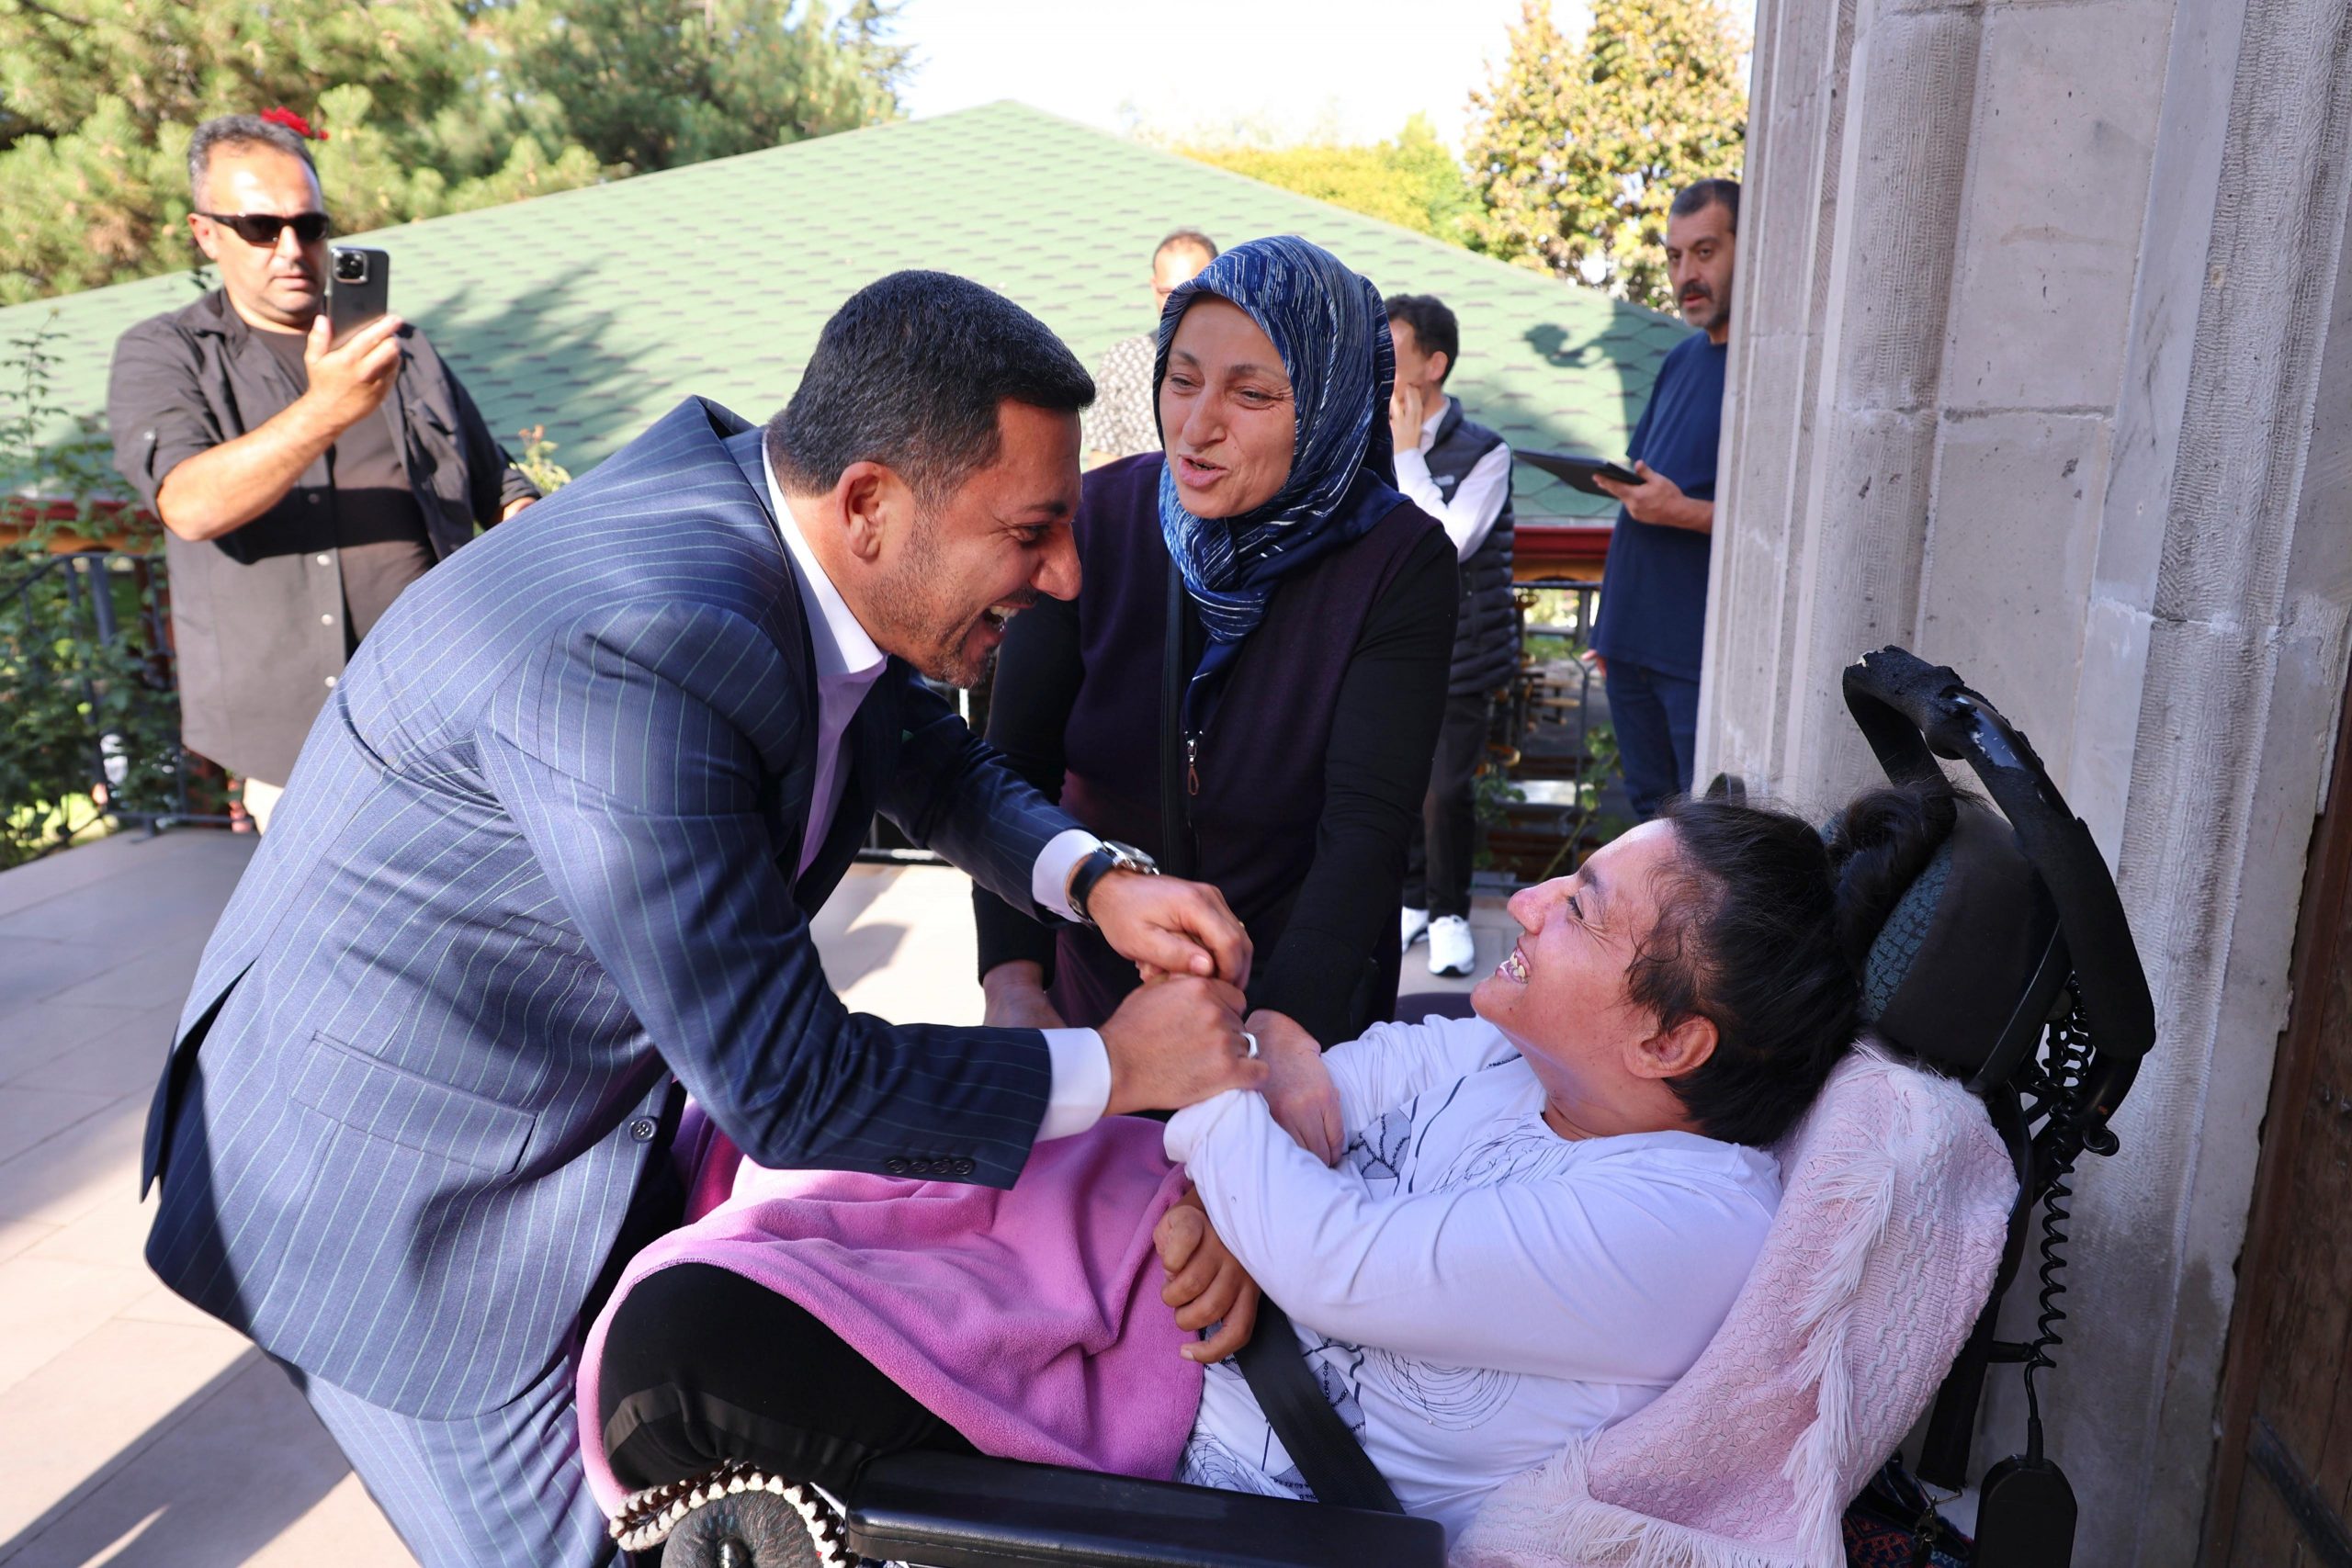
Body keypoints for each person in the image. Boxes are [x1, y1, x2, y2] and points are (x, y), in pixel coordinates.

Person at [140, 270, 1273, 1568]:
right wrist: (1119, 1065)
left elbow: (913, 743)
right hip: (387, 1192)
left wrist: (1093, 877)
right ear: (870, 504)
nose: (1065, 575)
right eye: (1032, 531)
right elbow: (791, 1084)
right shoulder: (643, 642)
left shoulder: (781, 509)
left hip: (564, 1119)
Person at [585, 780, 1958, 1561]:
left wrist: (1217, 1102)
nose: (1533, 900)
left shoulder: (1685, 1225)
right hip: (1163, 1297)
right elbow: (1303, 1080)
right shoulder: (1511, 1058)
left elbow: (1332, 1255)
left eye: (1583, 908)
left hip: (1207, 1479)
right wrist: (1236, 1158)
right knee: (754, 1189)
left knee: (686, 1355)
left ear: (1669, 1037)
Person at [972, 235, 1458, 1155]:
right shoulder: (1097, 520)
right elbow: (1013, 769)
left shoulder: (1396, 563)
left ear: (1327, 402)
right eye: (1182, 380)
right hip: (1096, 990)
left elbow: (1364, 827)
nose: (1196, 427)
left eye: (1252, 395)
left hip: (1300, 991)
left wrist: (1286, 1025)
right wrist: (1013, 980)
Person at [106, 111, 539, 832]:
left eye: (309, 226)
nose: (291, 249)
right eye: (260, 227)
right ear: (205, 233)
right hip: (298, 749)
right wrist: (327, 409)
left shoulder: (398, 347)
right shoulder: (167, 352)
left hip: (448, 708)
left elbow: (499, 487)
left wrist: (535, 535)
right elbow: (189, 504)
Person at [1589, 178, 1739, 818]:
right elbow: (1646, 489)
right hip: (1630, 639)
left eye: (1705, 252)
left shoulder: (1773, 367)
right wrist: (1609, 628)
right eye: (1675, 257)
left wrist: (1682, 511)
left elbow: (1787, 524)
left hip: (1695, 653)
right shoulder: (1680, 360)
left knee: (1703, 835)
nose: (1686, 275)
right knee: (1649, 827)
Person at [1384, 293, 1516, 979]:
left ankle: (1450, 913)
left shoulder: (1486, 451)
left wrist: (1408, 456)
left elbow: (1448, 544)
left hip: (1464, 649)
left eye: (1395, 351)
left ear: (1433, 365)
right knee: (1396, 778)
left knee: (1447, 790)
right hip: (1390, 645)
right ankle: (1411, 901)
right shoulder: (1366, 436)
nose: (1381, 364)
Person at [1080, 227, 1219, 464]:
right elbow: (1103, 458)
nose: (1176, 302)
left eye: (1189, 291)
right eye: (1166, 292)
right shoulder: (1123, 360)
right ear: (1153, 286)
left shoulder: (1243, 357)